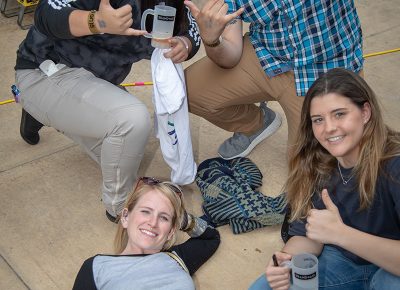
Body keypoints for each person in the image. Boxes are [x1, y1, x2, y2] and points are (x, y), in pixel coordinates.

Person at [15, 0, 201, 222]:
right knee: (131, 122)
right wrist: (97, 21)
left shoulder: (169, 4)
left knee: (125, 153)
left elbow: (190, 31)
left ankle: (43, 111)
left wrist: (185, 44)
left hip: (95, 84)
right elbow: (46, 13)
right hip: (44, 70)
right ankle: (120, 207)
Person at [248, 68, 400, 290]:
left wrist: (341, 234)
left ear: (365, 112)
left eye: (339, 114)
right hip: (344, 262)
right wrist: (284, 260)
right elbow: (309, 235)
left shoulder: (394, 165)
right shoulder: (317, 163)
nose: (329, 128)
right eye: (318, 120)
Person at [184, 0, 363, 160]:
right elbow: (230, 55)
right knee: (181, 93)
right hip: (267, 55)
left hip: (324, 71)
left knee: (311, 175)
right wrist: (212, 40)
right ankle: (256, 124)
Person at [73, 177, 220, 289]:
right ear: (125, 217)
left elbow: (211, 238)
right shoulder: (98, 267)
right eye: (145, 211)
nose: (153, 222)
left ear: (171, 232)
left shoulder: (175, 258)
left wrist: (184, 220)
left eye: (163, 217)